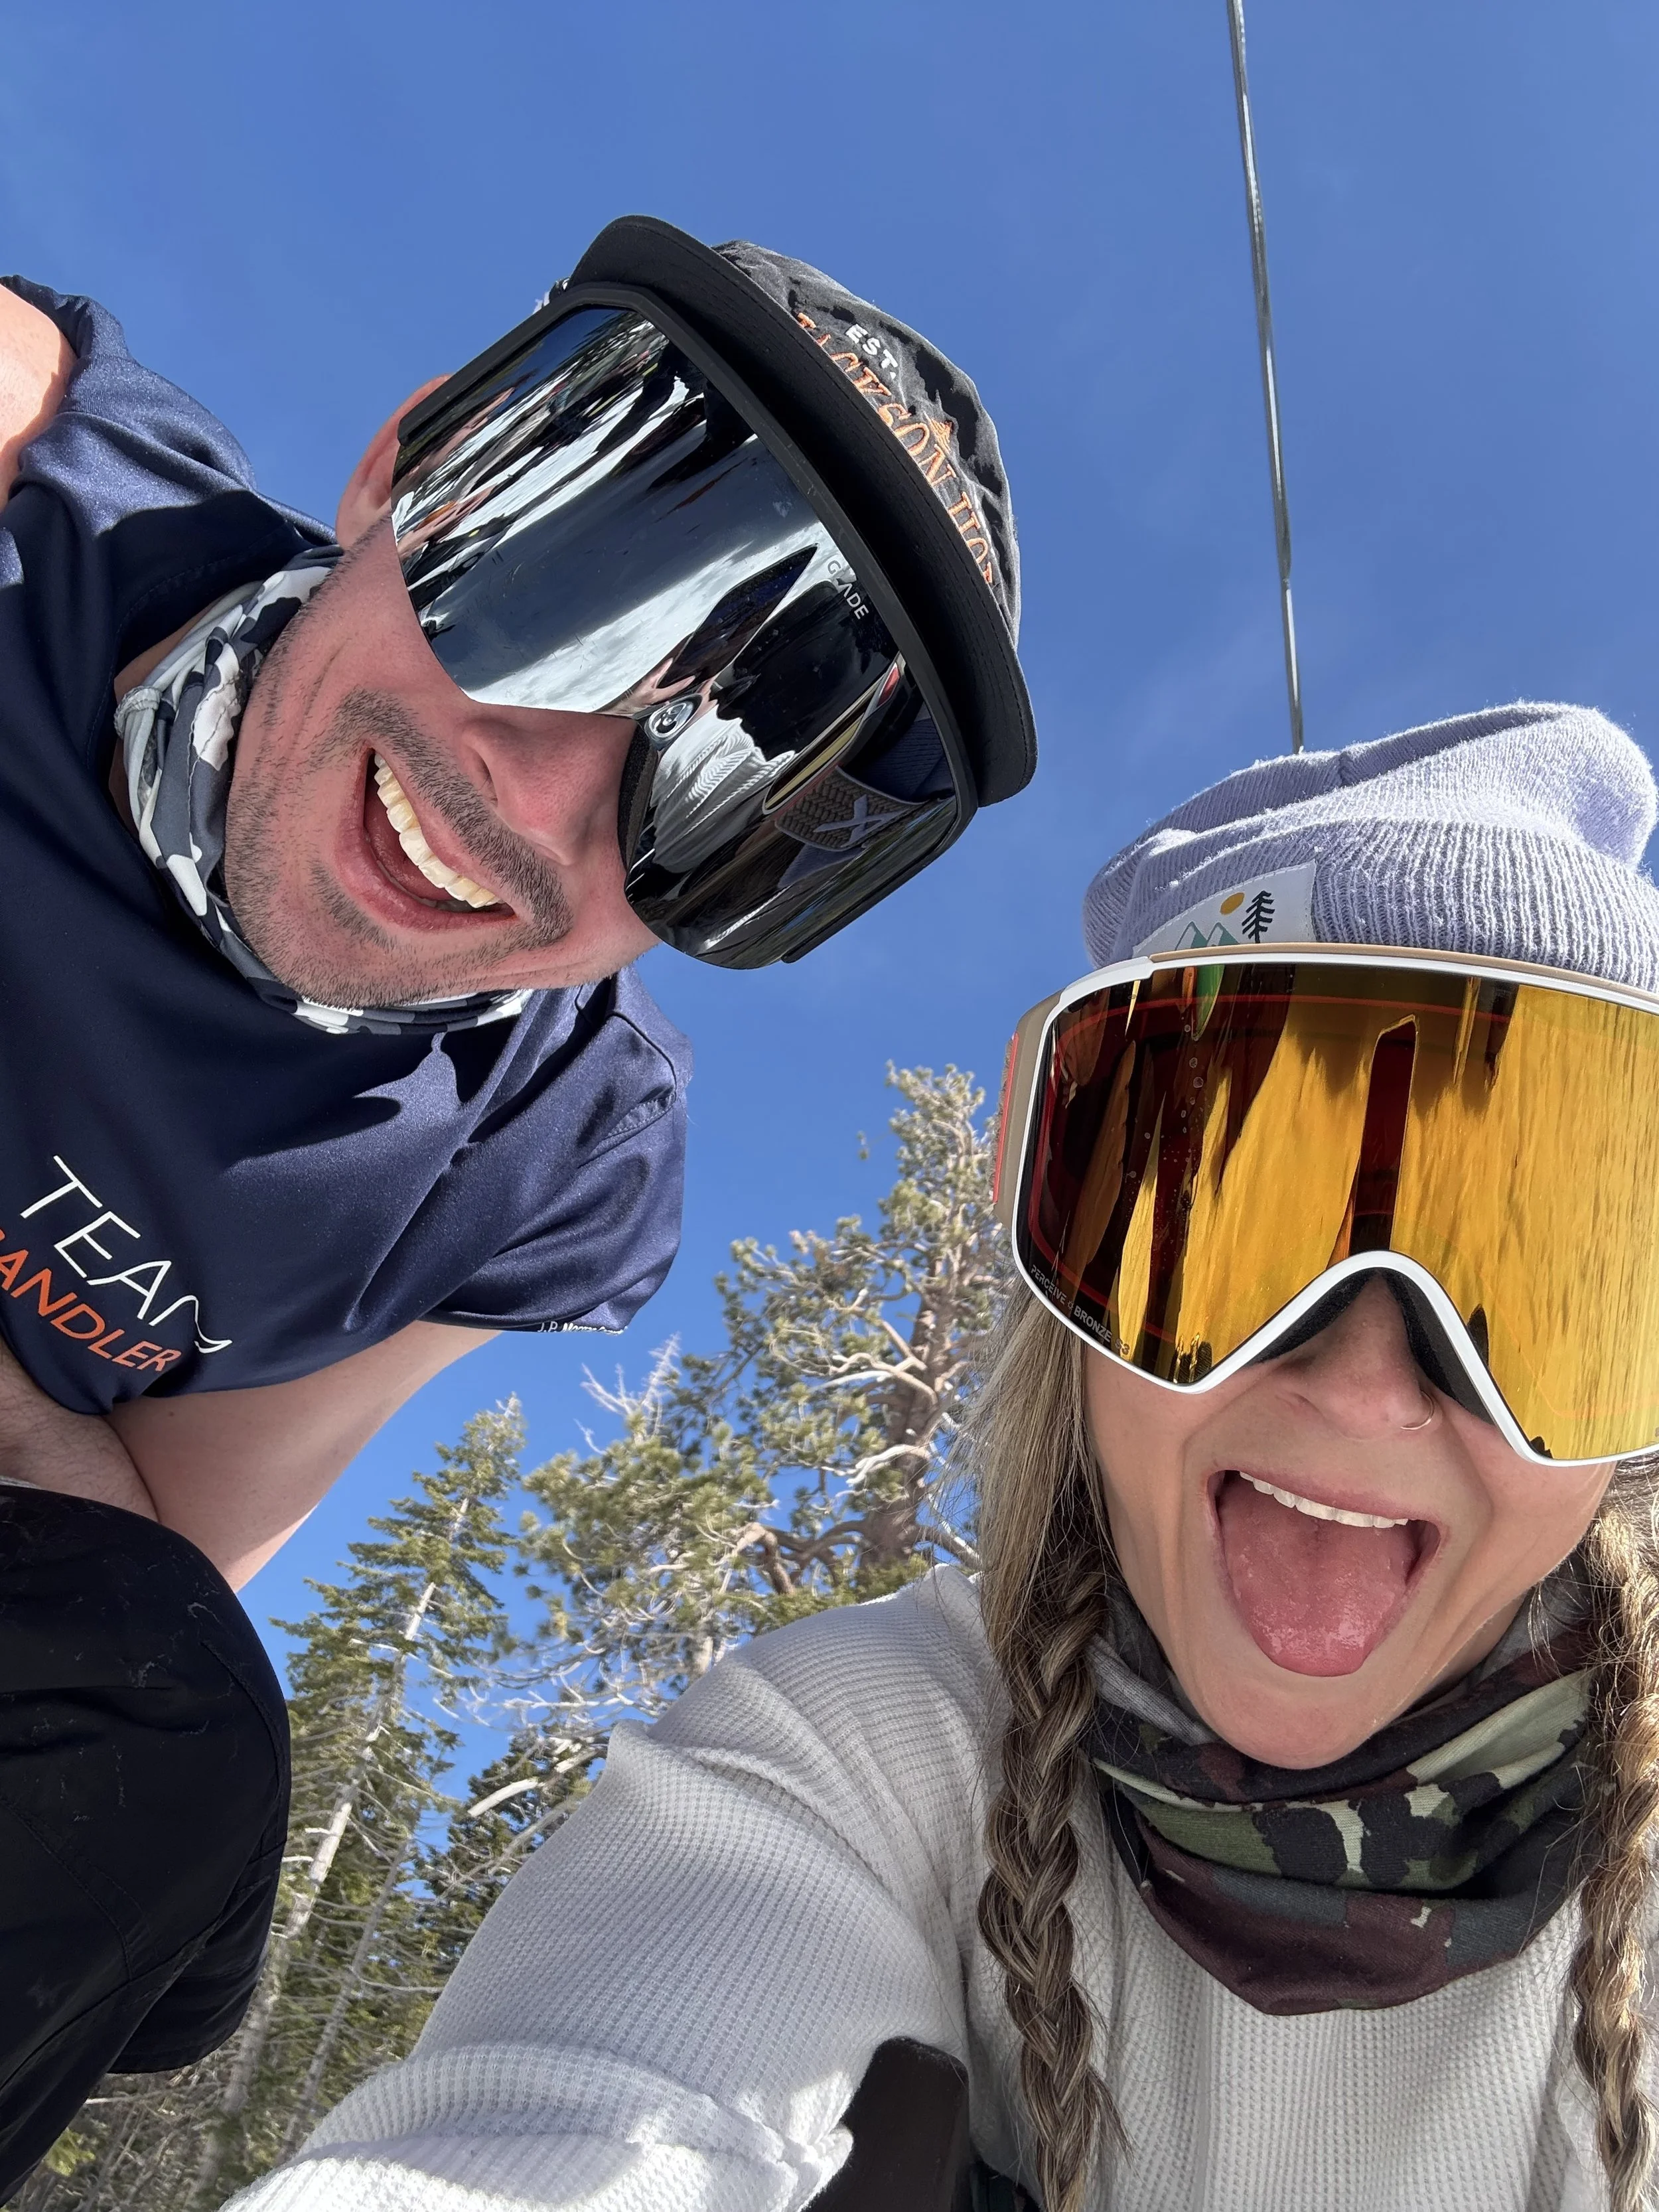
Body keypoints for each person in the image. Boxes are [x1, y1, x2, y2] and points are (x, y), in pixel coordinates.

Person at [223, 703, 1659, 2212]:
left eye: (1545, 1282)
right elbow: (557, 2128)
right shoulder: (868, 1750)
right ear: (1069, 1267)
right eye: (1231, 1218)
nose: (1367, 1387)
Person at [0, 218, 1033, 2197]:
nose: (537, 802)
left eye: (722, 804)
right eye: (566, 581)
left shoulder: (542, 1165)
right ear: (399, 462)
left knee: (171, 1742)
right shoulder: (36, 474)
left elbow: (128, 1561)